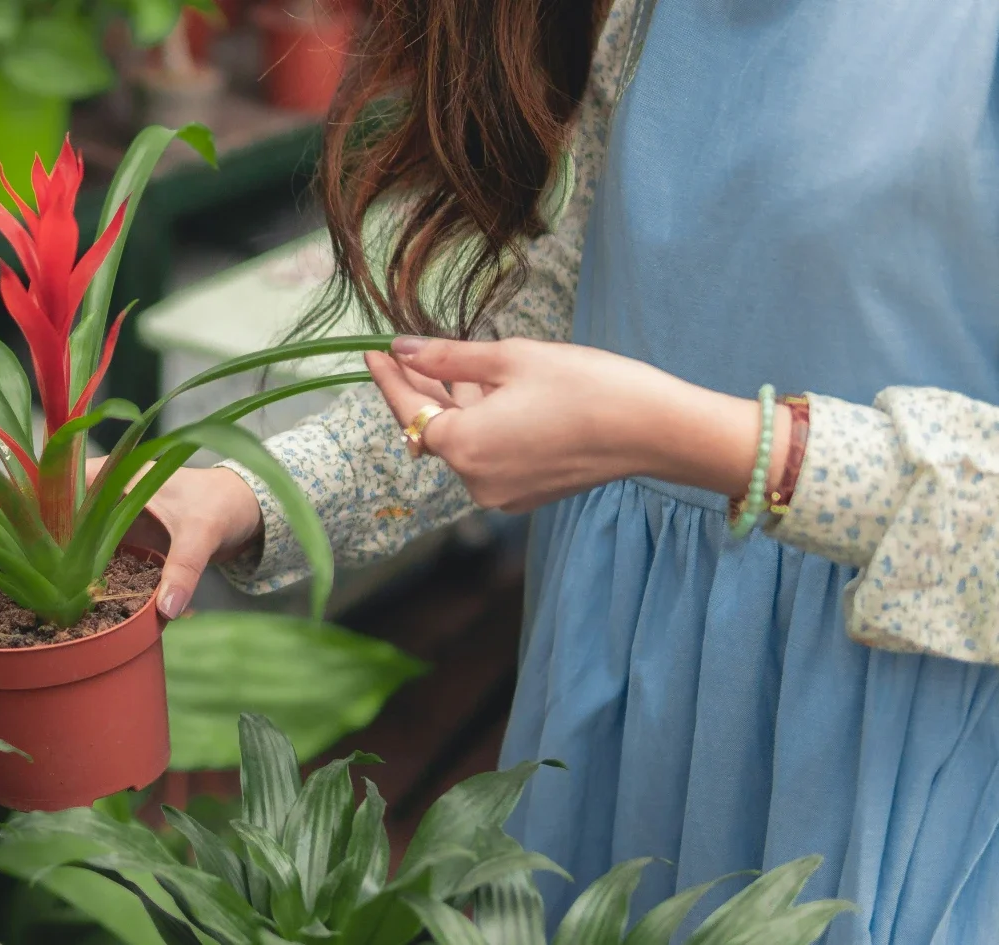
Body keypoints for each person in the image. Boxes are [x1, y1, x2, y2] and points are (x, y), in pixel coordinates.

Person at [88, 1, 999, 942]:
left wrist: (720, 444)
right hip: (619, 683)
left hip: (871, 716)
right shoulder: (647, 17)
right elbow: (552, 320)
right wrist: (244, 493)